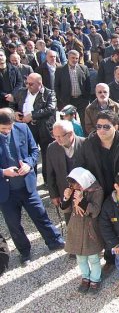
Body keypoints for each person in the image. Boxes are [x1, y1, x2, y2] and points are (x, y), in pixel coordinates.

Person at [76, 110, 119, 273]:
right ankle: (111, 259)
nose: (101, 130)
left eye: (106, 126)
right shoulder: (88, 144)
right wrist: (78, 193)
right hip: (100, 196)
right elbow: (80, 169)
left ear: (116, 126)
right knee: (105, 228)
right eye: (98, 126)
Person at [0, 108, 64, 266]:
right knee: (13, 224)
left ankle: (54, 240)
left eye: (10, 127)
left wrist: (29, 164)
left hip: (26, 185)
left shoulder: (22, 128)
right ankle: (24, 251)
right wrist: (3, 172)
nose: (7, 131)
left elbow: (34, 151)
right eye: (3, 129)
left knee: (40, 214)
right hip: (6, 192)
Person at [61, 167, 104, 294]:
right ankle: (85, 277)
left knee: (93, 257)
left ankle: (95, 279)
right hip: (76, 228)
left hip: (90, 230)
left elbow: (95, 211)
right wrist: (66, 198)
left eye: (78, 183)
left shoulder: (97, 190)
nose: (76, 186)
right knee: (80, 258)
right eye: (74, 184)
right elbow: (66, 209)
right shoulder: (75, 190)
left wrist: (81, 201)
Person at [12, 73, 56, 182]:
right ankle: (32, 179)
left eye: (31, 84)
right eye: (26, 83)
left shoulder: (49, 93)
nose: (28, 86)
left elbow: (51, 108)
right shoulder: (22, 92)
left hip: (44, 127)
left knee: (47, 154)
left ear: (39, 84)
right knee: (29, 153)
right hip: (26, 128)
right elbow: (12, 103)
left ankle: (48, 180)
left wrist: (32, 115)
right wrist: (14, 113)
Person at [46, 120, 86, 224]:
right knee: (70, 222)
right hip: (64, 192)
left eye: (60, 136)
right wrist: (54, 194)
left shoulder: (85, 144)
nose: (57, 139)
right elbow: (50, 173)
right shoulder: (52, 148)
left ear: (71, 133)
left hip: (84, 192)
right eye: (55, 136)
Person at [54, 50, 91, 124]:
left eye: (76, 58)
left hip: (81, 100)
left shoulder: (84, 68)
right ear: (68, 58)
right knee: (68, 123)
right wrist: (61, 99)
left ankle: (85, 135)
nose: (75, 60)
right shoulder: (60, 70)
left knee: (84, 122)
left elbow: (88, 85)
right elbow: (56, 86)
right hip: (68, 100)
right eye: (73, 58)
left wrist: (86, 98)